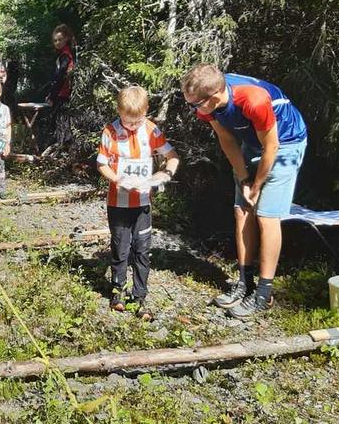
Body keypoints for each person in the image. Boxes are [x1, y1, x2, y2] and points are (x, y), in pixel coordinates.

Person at [181, 63, 308, 318]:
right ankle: (245, 282)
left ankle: (264, 293)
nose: (192, 110)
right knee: (242, 210)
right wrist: (244, 179)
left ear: (214, 97)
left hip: (285, 144)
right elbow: (226, 139)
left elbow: (271, 146)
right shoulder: (208, 103)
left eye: (195, 105)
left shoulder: (253, 100)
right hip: (252, 142)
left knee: (267, 216)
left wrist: (257, 185)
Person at [96, 86, 180, 321]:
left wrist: (164, 175)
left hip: (143, 203)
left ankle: (139, 296)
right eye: (127, 121)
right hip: (118, 203)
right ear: (119, 112)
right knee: (120, 247)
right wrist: (117, 179)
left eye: (137, 121)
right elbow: (101, 164)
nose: (132, 126)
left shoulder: (151, 130)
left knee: (142, 250)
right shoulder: (110, 131)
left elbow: (172, 157)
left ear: (146, 112)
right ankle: (118, 291)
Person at [42, 24, 76, 154]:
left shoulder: (66, 55)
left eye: (60, 40)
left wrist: (52, 95)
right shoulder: (63, 54)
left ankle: (62, 151)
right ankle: (61, 150)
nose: (57, 43)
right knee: (62, 123)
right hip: (62, 92)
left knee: (61, 123)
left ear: (66, 39)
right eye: (55, 40)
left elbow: (60, 77)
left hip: (63, 93)